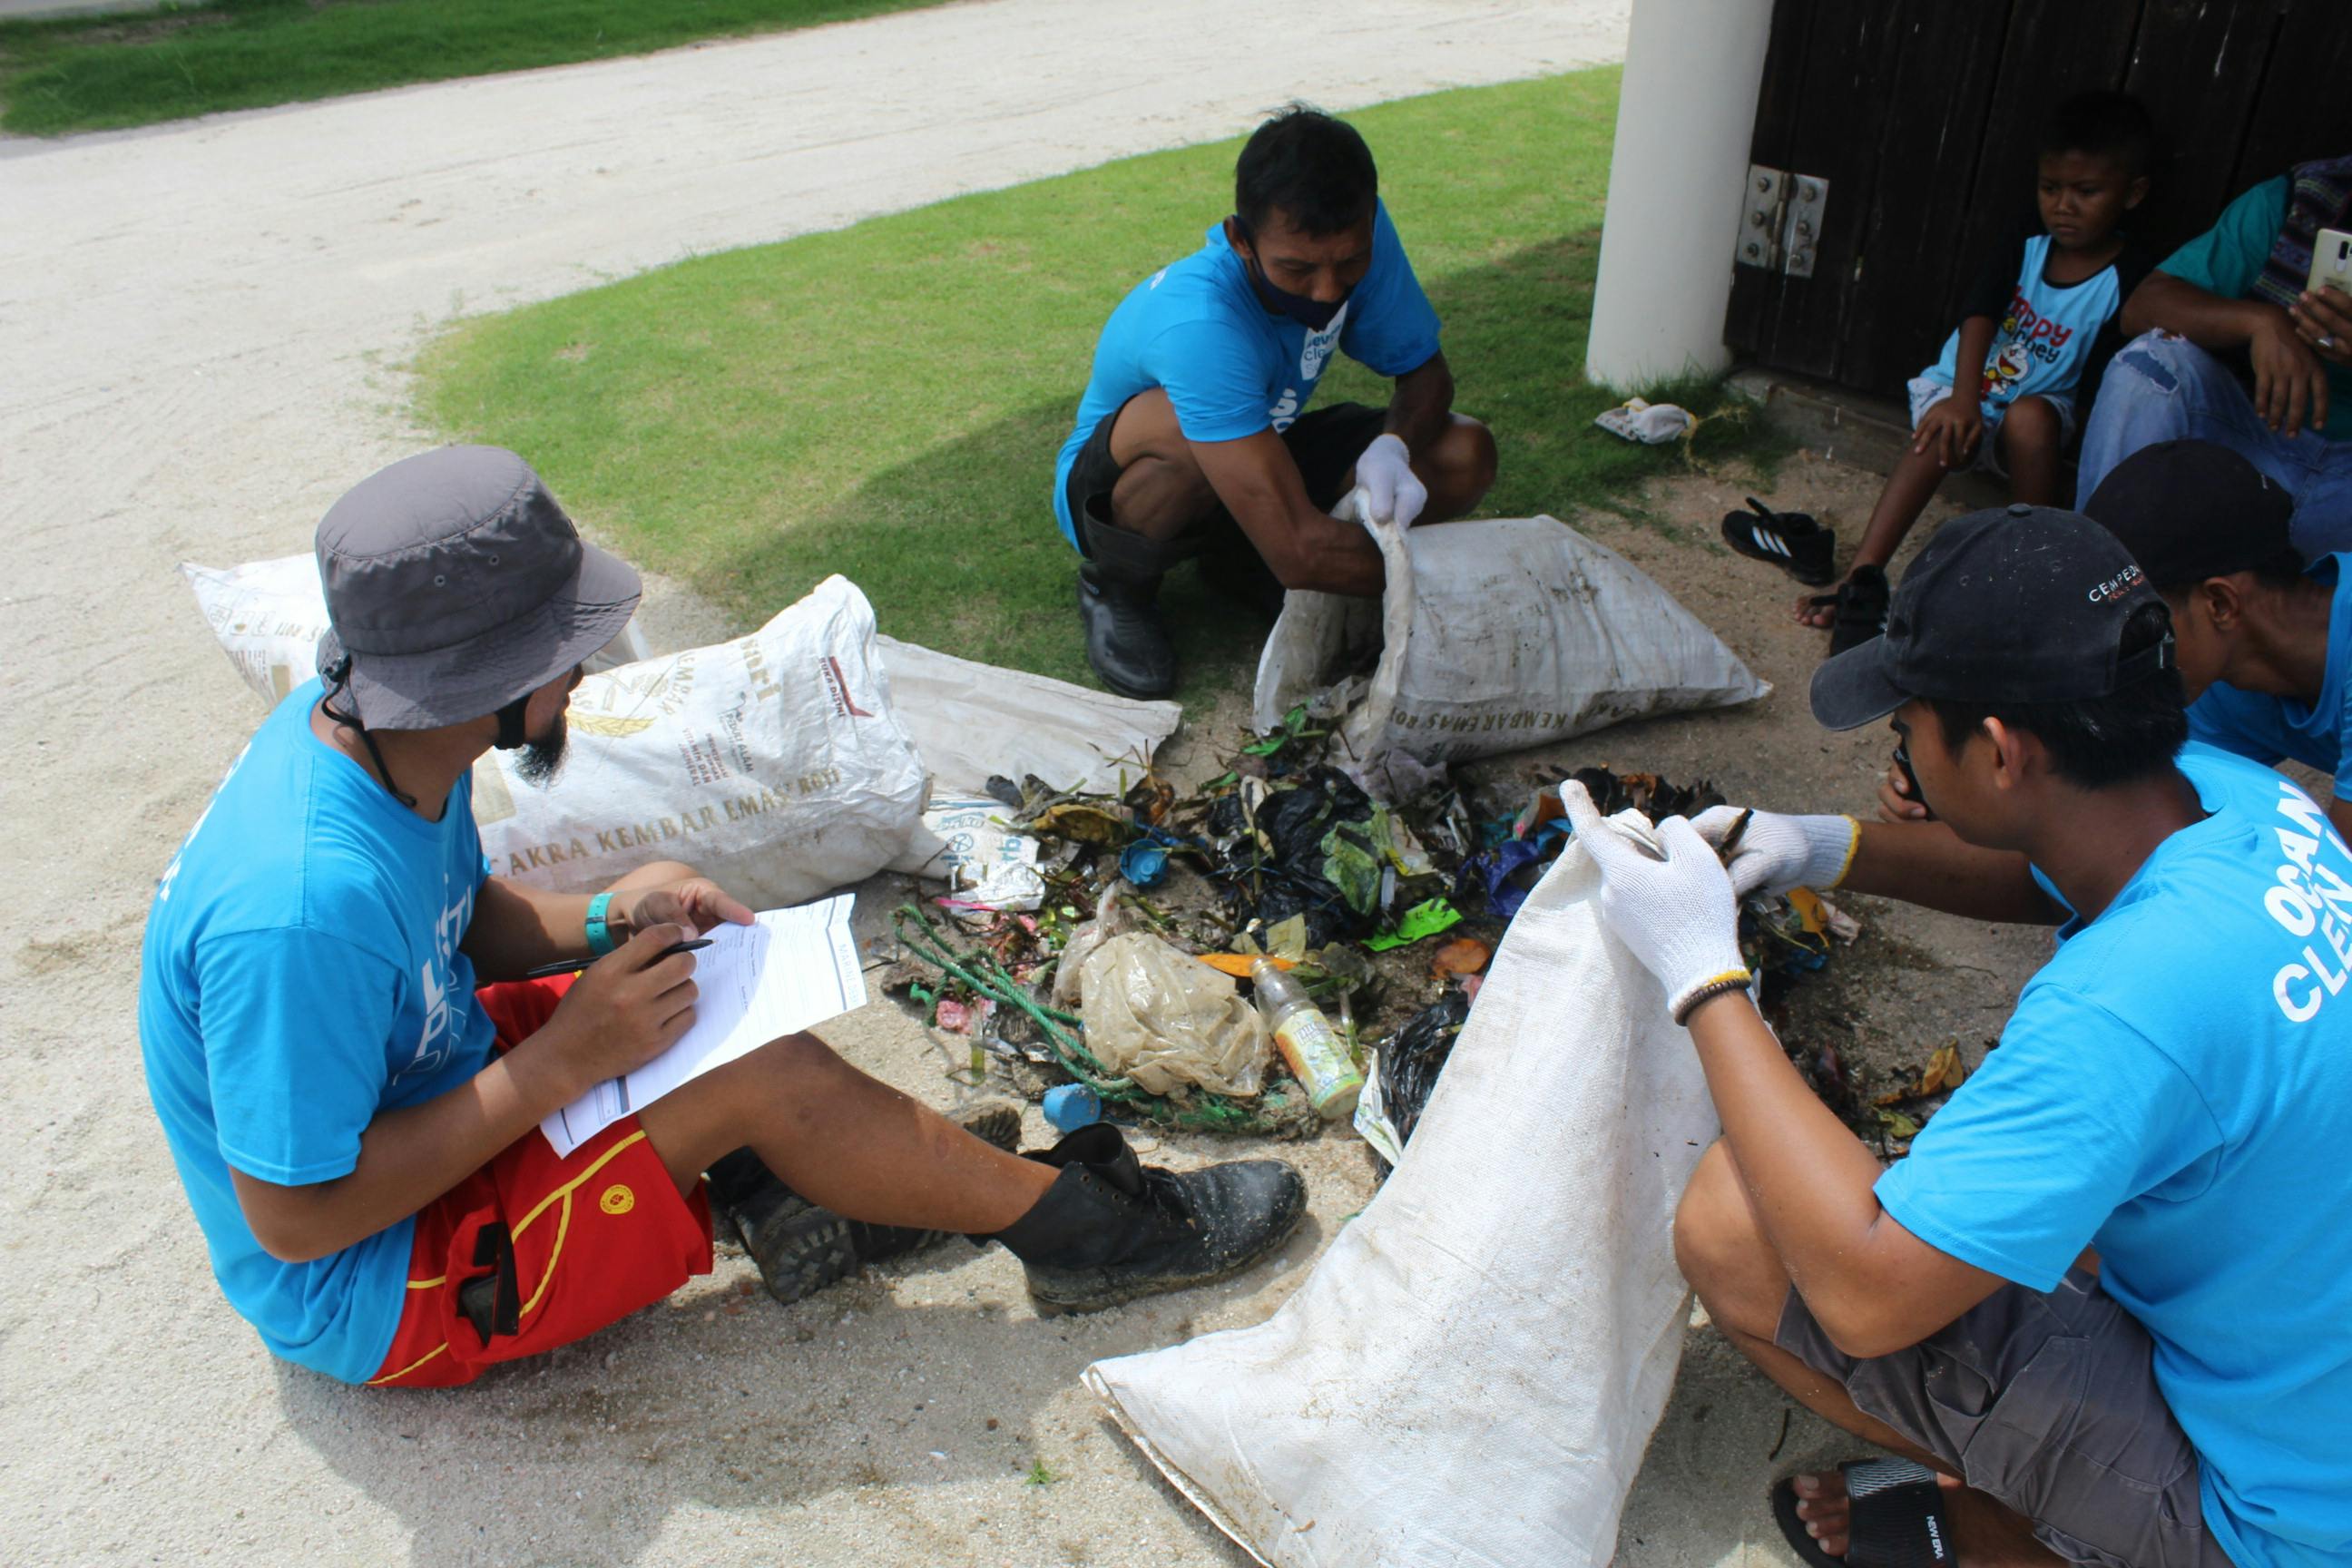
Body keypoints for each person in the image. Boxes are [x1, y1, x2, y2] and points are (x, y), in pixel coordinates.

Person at [139, 446, 1306, 1389]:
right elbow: (297, 1219)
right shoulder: (299, 911)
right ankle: (1093, 1239)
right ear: (475, 681)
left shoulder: (369, 738)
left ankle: (802, 1188)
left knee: (681, 989)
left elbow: (453, 918)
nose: (587, 672)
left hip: (420, 1095)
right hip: (384, 1285)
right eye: (560, 650)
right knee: (752, 1076)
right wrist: (563, 1061)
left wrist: (605, 917)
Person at [1563, 506, 2351, 1567]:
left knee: (1735, 1226)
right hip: (2306, 1370)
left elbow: (1864, 1296)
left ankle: (2031, 1534)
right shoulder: (2243, 801)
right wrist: (1824, 848)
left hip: (2274, 1514)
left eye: (1907, 728)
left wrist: (1706, 975)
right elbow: (2055, 866)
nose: (1902, 748)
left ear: (1997, 750)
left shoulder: (2122, 1009)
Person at [1052, 104, 1497, 697]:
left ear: (1367, 222)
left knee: (1462, 450)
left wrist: (1394, 447)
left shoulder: (1352, 233)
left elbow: (1426, 375)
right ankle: (1116, 586)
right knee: (1183, 430)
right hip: (1123, 487)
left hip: (1261, 441)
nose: (1327, 289)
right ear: (1241, 239)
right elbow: (1301, 553)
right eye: (1296, 269)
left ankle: (1238, 562)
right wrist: (1474, 592)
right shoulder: (1198, 323)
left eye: (1350, 264)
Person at [1729, 93, 2154, 655]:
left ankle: (2033, 572)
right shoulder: (2027, 241)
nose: (2063, 206)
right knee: (1939, 428)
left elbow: (2100, 383)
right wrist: (1963, 398)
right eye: (2051, 188)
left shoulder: (2128, 277)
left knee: (2030, 419)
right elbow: (1979, 311)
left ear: (2133, 193)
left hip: (2037, 414)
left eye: (2086, 192)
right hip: (1963, 388)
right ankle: (1862, 577)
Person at [1886, 439, 2352, 842]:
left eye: (2132, 621)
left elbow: (2339, 893)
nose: (2103, 643)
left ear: (2220, 604)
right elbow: (2116, 823)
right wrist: (1959, 779)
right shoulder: (2224, 673)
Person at [2076, 152, 2352, 553]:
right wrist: (2261, 323)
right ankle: (2094, 579)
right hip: (2252, 441)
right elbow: (2144, 307)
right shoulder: (2305, 198)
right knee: (2149, 366)